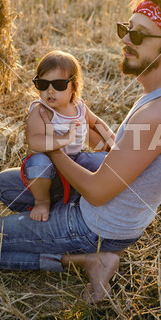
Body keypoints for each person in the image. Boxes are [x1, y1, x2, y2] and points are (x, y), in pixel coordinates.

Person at [0, 0, 161, 304]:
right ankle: (56, 218)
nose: (126, 41)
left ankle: (86, 259)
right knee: (7, 185)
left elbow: (96, 192)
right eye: (126, 29)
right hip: (119, 201)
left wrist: (53, 147)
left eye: (138, 36)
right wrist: (100, 136)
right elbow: (126, 150)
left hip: (100, 224)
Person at [21, 50, 115, 222]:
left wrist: (112, 140)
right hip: (48, 163)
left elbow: (96, 123)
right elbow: (34, 141)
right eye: (42, 84)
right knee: (37, 164)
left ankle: (78, 196)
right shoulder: (41, 111)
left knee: (100, 161)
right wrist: (62, 139)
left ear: (74, 86)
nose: (50, 90)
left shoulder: (79, 107)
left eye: (58, 85)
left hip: (73, 161)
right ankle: (42, 201)